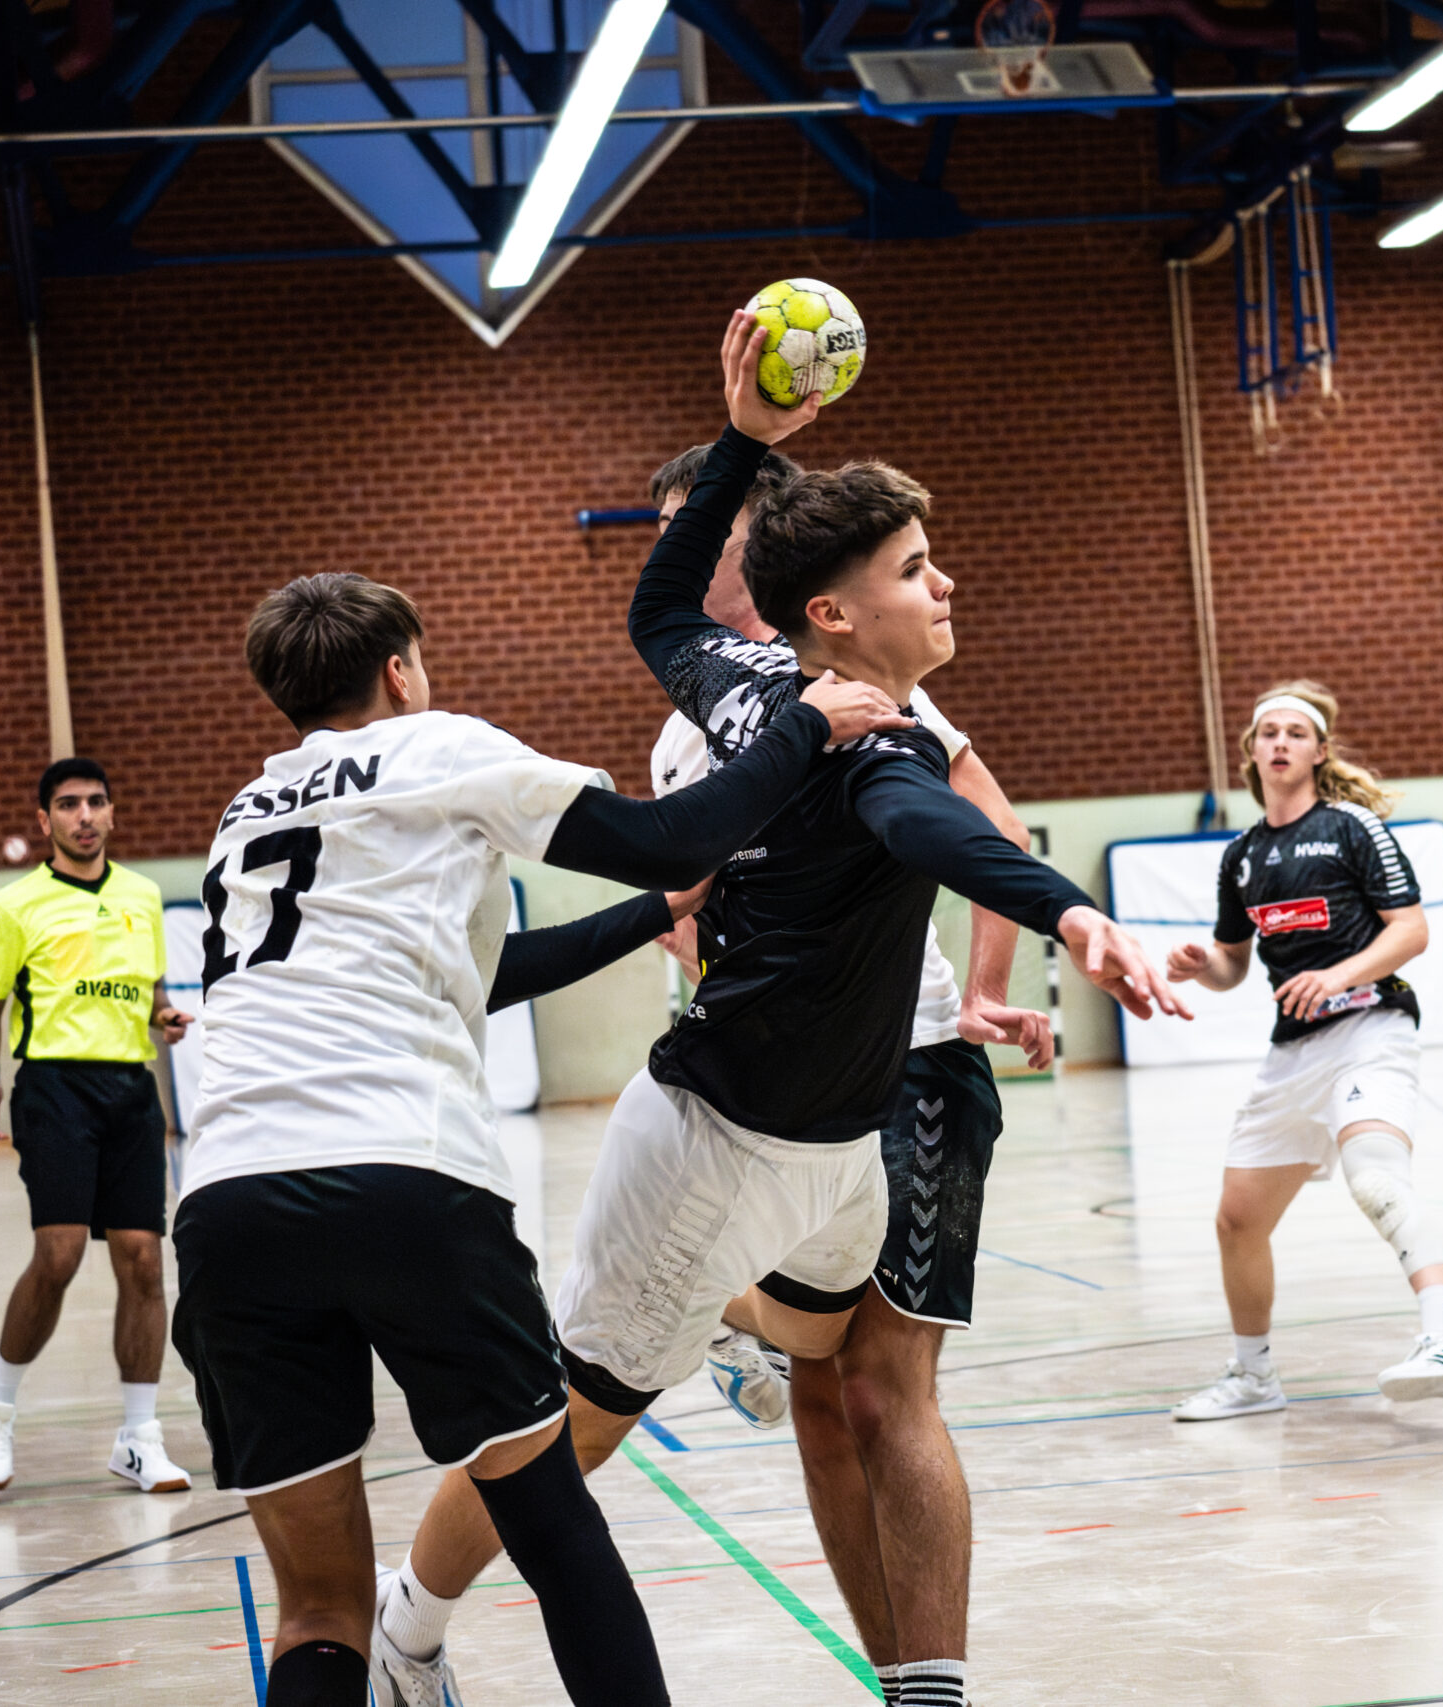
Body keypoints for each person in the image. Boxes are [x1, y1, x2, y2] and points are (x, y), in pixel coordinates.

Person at [375, 313, 1183, 1707]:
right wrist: (1074, 914)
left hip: (845, 1133)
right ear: (835, 614)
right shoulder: (853, 744)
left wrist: (749, 432)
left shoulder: (767, 683)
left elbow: (669, 625)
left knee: (838, 1350)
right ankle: (407, 1627)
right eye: (916, 568)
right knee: (576, 1430)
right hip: (725, 1129)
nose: (946, 582)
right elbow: (927, 828)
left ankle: (734, 1328)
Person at [171, 569, 905, 1707]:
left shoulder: (247, 812)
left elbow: (476, 972)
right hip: (403, 1176)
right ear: (399, 670)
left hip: (228, 1203)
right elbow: (667, 836)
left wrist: (657, 914)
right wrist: (805, 724)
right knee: (557, 1532)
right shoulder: (438, 744)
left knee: (316, 1610)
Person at [647, 437, 1055, 1703]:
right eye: (669, 533)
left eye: (705, 529)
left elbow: (990, 827)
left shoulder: (871, 690)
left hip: (911, 1061)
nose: (682, 552)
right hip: (776, 1090)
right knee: (820, 1401)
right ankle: (896, 1678)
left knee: (883, 1388)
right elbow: (686, 904)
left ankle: (934, 1686)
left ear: (769, 550)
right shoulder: (687, 730)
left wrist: (986, 984)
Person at [1163, 681, 1443, 1421]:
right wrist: (1201, 966)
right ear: (1251, 752)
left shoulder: (1351, 827)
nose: (1280, 742)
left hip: (1371, 1027)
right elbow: (1233, 963)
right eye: (1268, 732)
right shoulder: (1242, 856)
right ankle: (1254, 1378)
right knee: (1237, 1220)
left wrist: (1338, 975)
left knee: (1376, 1176)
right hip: (1293, 1053)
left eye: (1295, 732)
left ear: (1318, 751)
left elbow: (1410, 929)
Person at [0, 757, 194, 1495]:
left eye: (96, 801)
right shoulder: (15, 904)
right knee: (58, 1255)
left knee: (144, 1262)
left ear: (113, 812)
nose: (84, 815)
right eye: (68, 804)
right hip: (55, 1088)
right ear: (45, 820)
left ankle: (139, 1437)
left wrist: (163, 1013)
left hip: (130, 1091)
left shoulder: (142, 895)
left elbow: (147, 989)